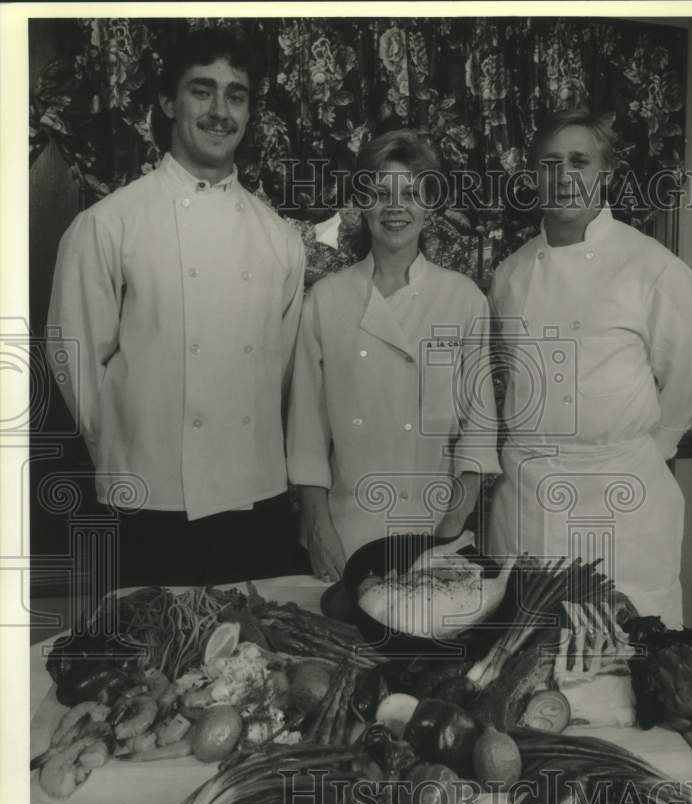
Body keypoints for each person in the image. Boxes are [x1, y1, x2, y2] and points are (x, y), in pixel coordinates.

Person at [46, 29, 307, 587]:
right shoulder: (108, 224)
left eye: (235, 96)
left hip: (254, 499)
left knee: (257, 666)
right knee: (152, 670)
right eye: (202, 91)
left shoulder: (280, 239)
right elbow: (74, 361)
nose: (220, 111)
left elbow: (277, 372)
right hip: (149, 502)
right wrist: (128, 451)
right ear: (168, 102)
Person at [487, 109, 692, 625]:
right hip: (528, 499)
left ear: (604, 174)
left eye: (579, 161)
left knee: (621, 658)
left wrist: (637, 453)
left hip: (621, 496)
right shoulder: (512, 273)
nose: (564, 176)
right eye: (550, 163)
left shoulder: (654, 269)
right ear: (534, 175)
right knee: (527, 658)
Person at [286, 130, 501, 582]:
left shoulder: (462, 299)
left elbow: (479, 435)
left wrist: (447, 534)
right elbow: (306, 435)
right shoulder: (326, 299)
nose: (395, 207)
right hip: (346, 532)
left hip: (434, 530)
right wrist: (321, 533)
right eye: (380, 193)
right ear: (363, 205)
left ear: (430, 204)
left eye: (410, 193)